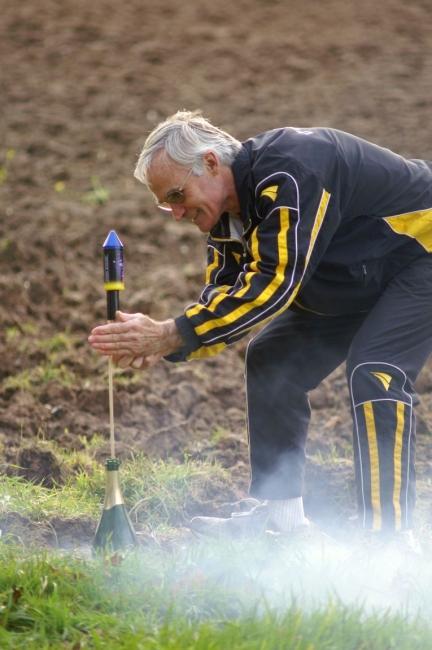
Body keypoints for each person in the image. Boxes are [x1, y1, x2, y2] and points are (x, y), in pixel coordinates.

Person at [88, 110, 432, 547]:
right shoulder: (226, 219)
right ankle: (281, 520)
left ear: (212, 163)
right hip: (359, 273)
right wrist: (163, 343)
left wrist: (169, 333)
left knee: (375, 370)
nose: (175, 213)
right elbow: (224, 296)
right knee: (272, 358)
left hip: (420, 254)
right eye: (165, 203)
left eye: (178, 194)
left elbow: (274, 283)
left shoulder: (290, 171)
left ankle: (390, 542)